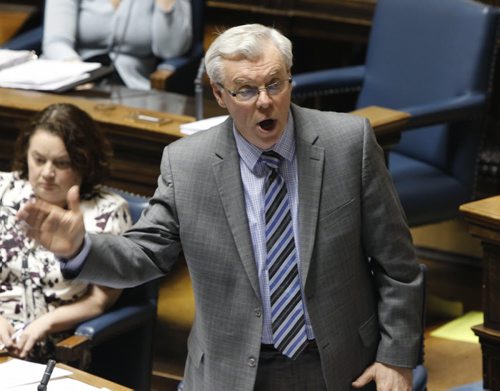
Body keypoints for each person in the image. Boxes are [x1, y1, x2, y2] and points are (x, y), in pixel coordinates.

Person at [18, 24, 424, 390]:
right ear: (219, 95)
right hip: (231, 371)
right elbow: (143, 254)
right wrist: (79, 248)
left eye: (275, 84)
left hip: (338, 365)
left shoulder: (348, 143)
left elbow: (398, 265)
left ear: (290, 81)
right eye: (246, 90)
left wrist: (398, 357)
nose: (265, 102)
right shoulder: (187, 164)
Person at [0, 103, 131, 363]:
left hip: (51, 348)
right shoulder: (4, 188)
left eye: (61, 163)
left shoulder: (107, 212)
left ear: (85, 163)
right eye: (38, 159)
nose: (47, 173)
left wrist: (45, 324)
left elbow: (99, 301)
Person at [42, 0, 193, 90]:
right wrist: (78, 75)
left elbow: (171, 50)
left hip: (132, 86)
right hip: (73, 77)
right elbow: (56, 42)